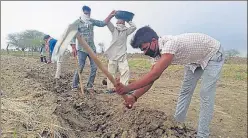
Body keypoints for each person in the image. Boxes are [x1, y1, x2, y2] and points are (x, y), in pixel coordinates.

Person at [115, 26, 225, 138]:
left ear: (153, 41)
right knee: (185, 91)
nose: (144, 53)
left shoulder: (169, 44)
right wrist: (134, 97)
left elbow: (154, 75)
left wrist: (127, 88)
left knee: (205, 94)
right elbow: (152, 79)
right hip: (193, 60)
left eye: (145, 48)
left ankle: (203, 135)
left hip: (212, 53)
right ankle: (177, 125)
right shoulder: (156, 56)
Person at [71, 5, 113, 91]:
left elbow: (102, 23)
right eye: (85, 13)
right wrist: (73, 47)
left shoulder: (91, 21)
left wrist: (110, 15)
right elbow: (72, 35)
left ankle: (90, 85)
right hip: (81, 49)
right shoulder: (77, 23)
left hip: (92, 49)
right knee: (80, 66)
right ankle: (74, 85)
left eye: (88, 13)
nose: (87, 15)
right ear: (82, 12)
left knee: (94, 67)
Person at [103, 10, 136, 93]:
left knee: (125, 71)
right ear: (117, 21)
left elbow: (134, 27)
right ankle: (110, 88)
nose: (120, 20)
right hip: (113, 55)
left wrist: (128, 19)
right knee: (111, 73)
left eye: (122, 20)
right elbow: (106, 22)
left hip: (122, 55)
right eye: (119, 19)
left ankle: (124, 88)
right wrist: (111, 15)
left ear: (124, 22)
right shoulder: (113, 29)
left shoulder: (126, 31)